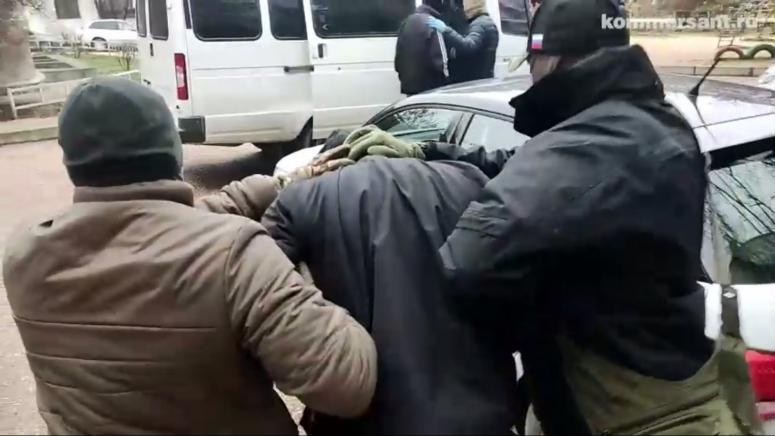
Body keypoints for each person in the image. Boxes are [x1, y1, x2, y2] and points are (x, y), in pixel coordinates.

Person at [318, 0, 759, 433]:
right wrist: (424, 150)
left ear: (552, 59)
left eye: (531, 60)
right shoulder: (650, 123)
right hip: (677, 382)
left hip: (639, 416)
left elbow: (466, 262)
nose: (529, 73)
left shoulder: (586, 151)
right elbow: (531, 169)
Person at [2, 77, 376, 435]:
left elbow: (159, 224)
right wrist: (301, 273)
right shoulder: (237, 258)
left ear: (70, 161)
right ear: (174, 151)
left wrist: (280, 187)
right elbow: (347, 384)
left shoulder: (24, 253)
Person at [262, 140, 520, 434]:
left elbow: (260, 289)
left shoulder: (300, 201)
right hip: (483, 412)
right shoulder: (470, 181)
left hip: (368, 417)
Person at [427, 0, 499, 83]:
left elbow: (469, 45)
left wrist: (446, 30)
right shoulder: (486, 22)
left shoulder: (479, 24)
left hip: (476, 80)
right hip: (483, 78)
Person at [395, 0, 451, 95]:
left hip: (409, 86)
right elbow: (441, 59)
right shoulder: (433, 22)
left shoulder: (406, 22)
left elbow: (398, 58)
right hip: (430, 87)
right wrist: (447, 79)